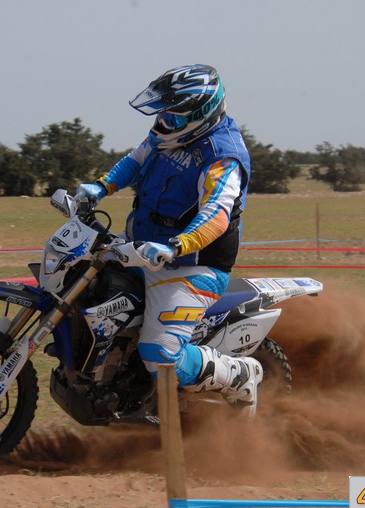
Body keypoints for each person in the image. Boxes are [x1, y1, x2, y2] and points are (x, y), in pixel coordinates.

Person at [76, 64, 263, 415]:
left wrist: (175, 246)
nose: (163, 121)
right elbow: (134, 161)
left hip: (191, 266)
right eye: (161, 112)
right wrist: (100, 187)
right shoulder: (168, 135)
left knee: (159, 353)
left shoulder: (223, 156)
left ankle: (238, 375)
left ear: (200, 114)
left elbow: (216, 216)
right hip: (138, 249)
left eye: (172, 116)